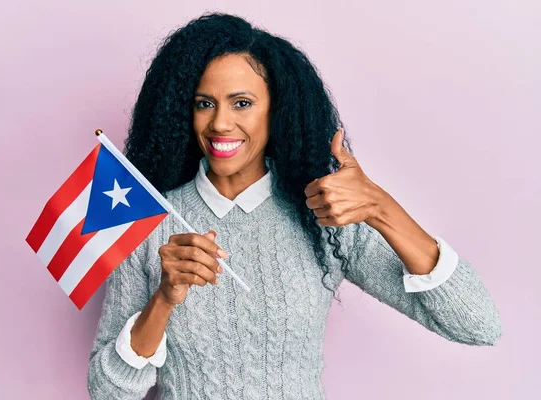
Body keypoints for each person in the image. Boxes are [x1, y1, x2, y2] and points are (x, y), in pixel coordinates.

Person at [86, 12, 501, 400]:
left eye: (242, 103)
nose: (220, 124)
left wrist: (382, 209)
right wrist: (164, 297)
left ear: (277, 111)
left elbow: (478, 325)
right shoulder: (149, 220)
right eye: (204, 103)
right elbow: (107, 391)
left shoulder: (322, 217)